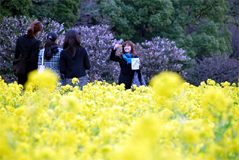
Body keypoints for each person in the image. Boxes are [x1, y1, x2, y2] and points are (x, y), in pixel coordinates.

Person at [14, 21, 43, 86]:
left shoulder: (20, 39)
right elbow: (33, 60)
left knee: (20, 89)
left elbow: (16, 55)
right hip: (30, 72)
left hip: (21, 69)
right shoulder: (36, 42)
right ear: (38, 31)